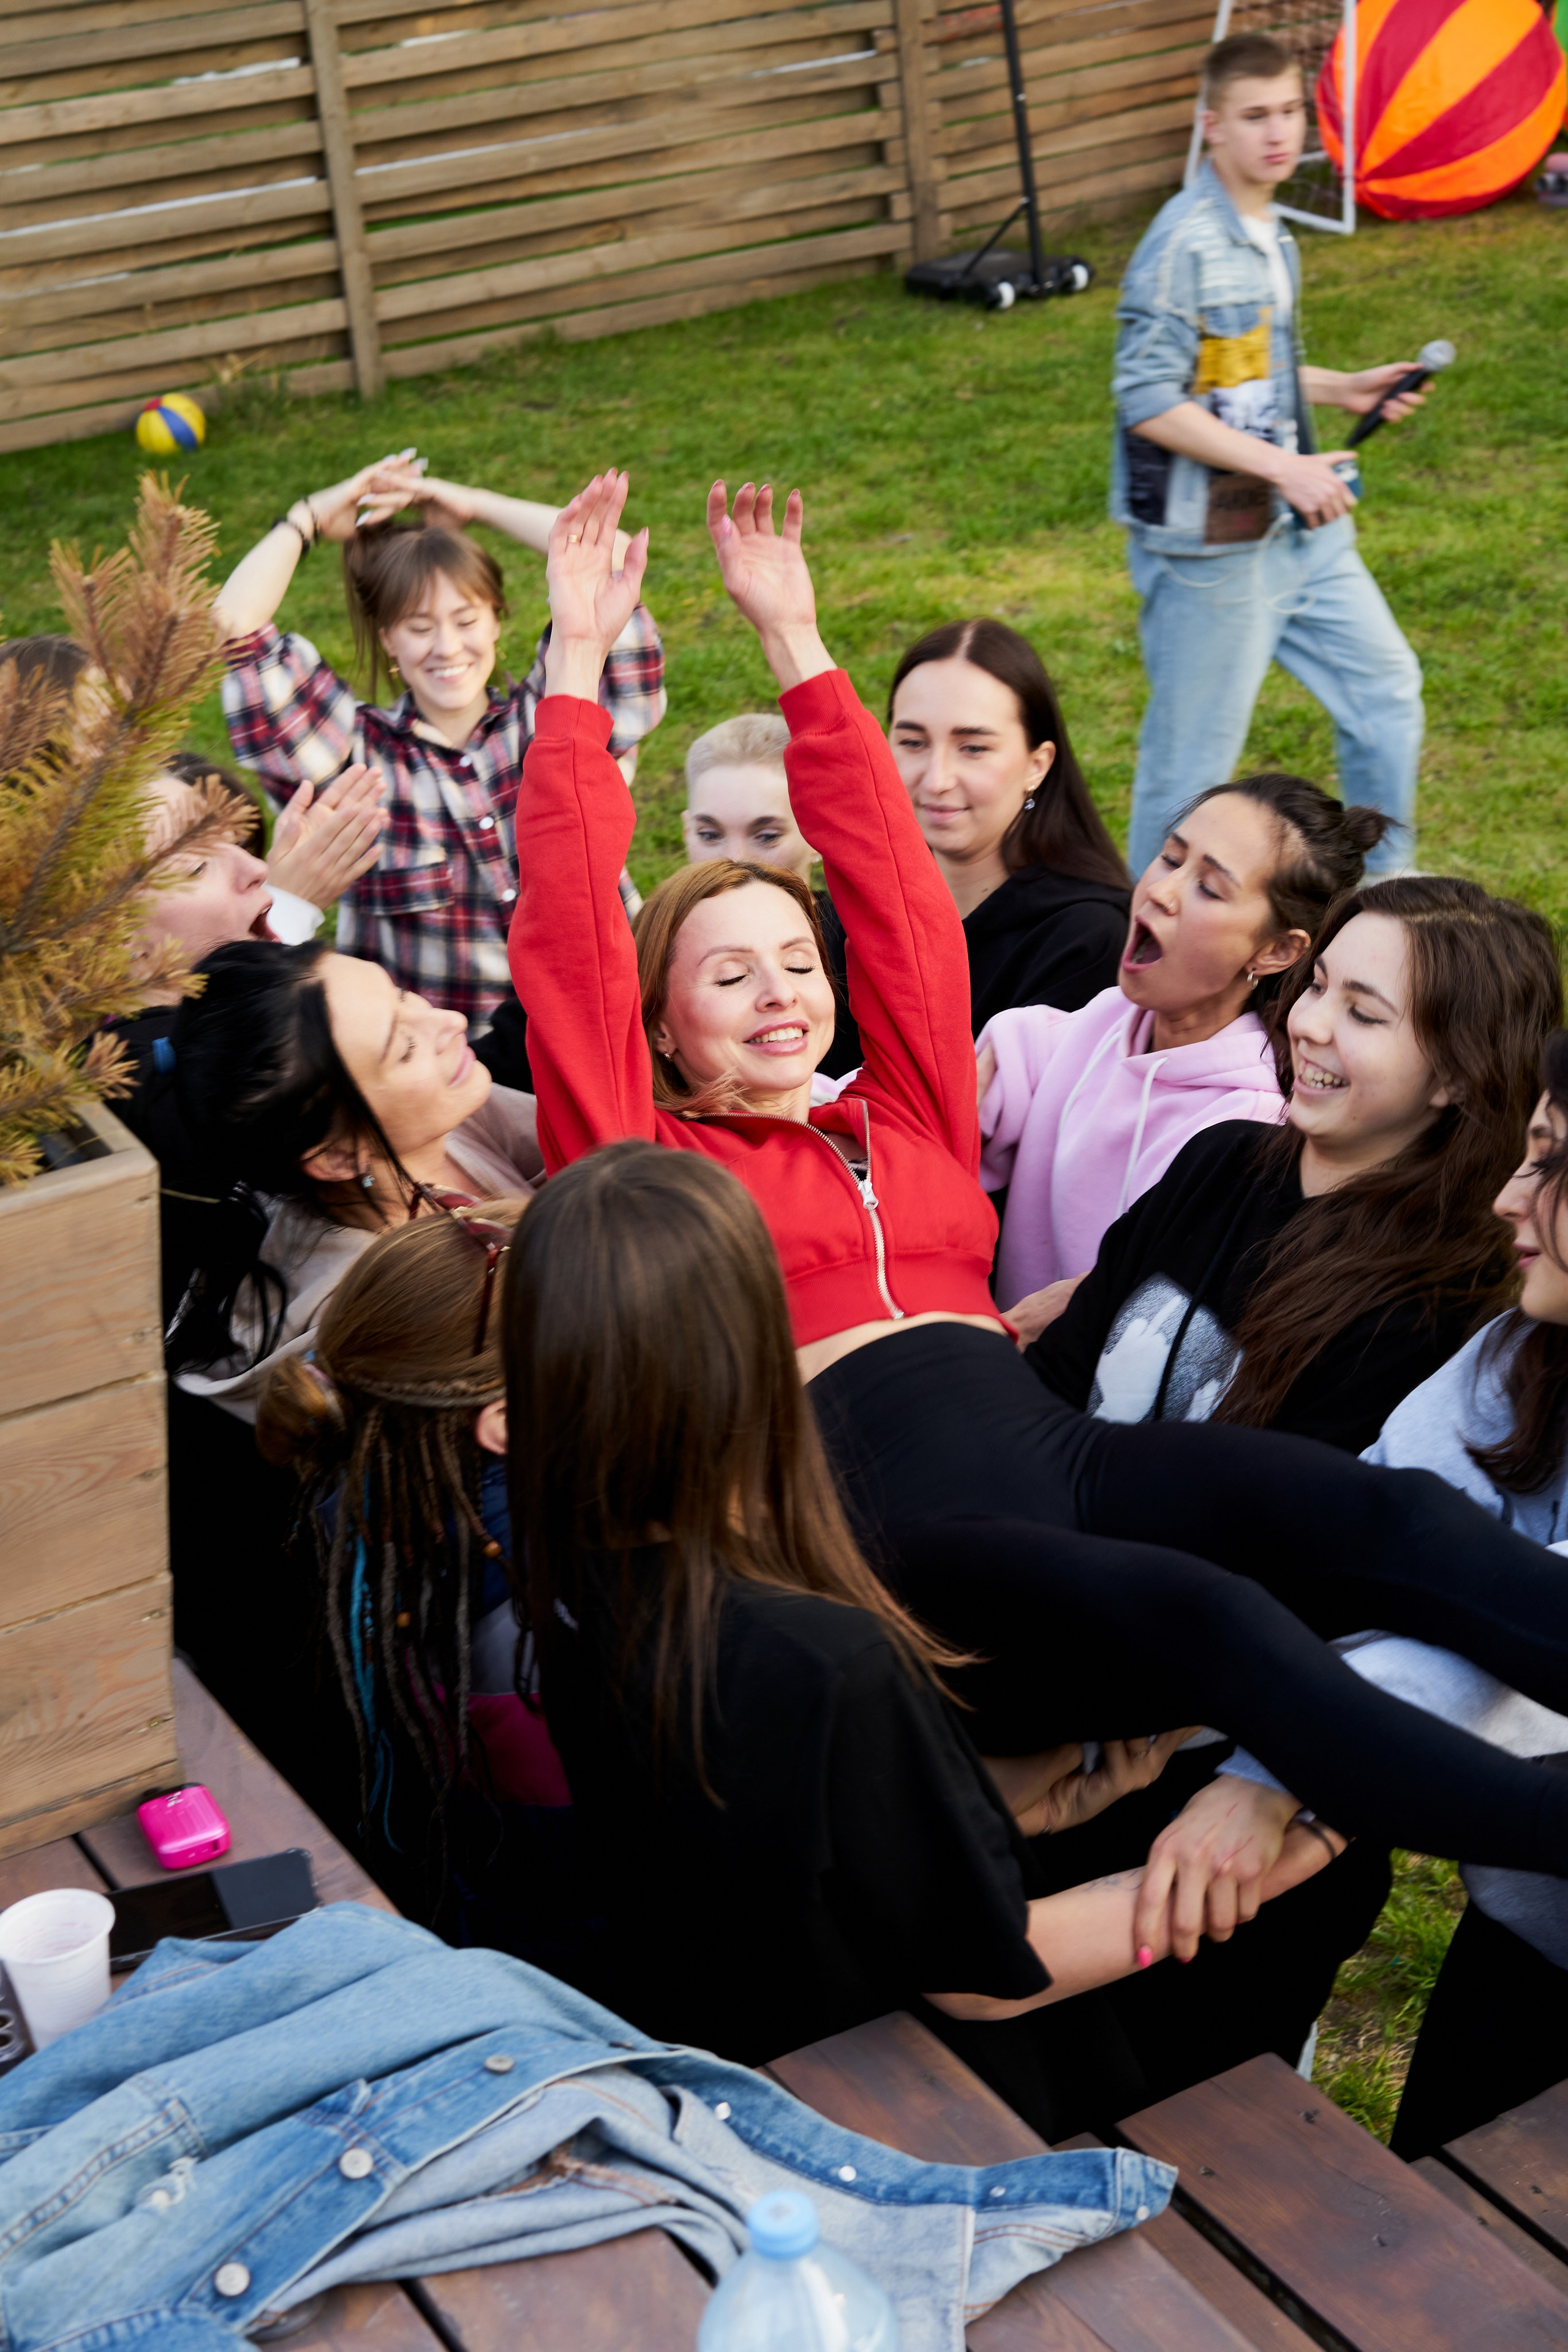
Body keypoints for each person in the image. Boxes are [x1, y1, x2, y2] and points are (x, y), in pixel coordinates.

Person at [509, 466, 1568, 1904]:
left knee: (1382, 1518)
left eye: (795, 961)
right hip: (888, 1519)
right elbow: (569, 940)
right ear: (658, 1027)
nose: (779, 991)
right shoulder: (650, 1179)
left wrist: (798, 645)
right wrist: (575, 666)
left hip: (1049, 1449)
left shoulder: (902, 1117)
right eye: (728, 973)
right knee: (1211, 1620)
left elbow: (899, 910)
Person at [500, 1137, 1347, 2112]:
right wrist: (1282, 1861)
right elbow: (983, 1977)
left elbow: (786, 1847)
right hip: (910, 2099)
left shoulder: (572, 1567)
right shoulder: (829, 1656)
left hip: (730, 2038)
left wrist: (1008, 1807)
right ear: (755, 1351)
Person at [1028, 876, 1561, 1452]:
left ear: (1457, 1075)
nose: (1307, 1024)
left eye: (1363, 1013)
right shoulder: (1218, 1159)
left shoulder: (1429, 1312)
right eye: (1318, 985)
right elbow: (1055, 1371)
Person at [1113, 32, 1429, 876]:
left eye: (1290, 111)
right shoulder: (1182, 247)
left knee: (1385, 693)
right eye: (1255, 115)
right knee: (1189, 768)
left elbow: (1241, 371)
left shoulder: (1270, 230)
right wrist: (1285, 467)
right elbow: (1148, 398)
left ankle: (1381, 900)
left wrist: (1344, 388)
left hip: (1299, 531)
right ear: (1211, 126)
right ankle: (1141, 938)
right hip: (1211, 552)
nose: (1279, 132)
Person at [215, 452, 665, 1033]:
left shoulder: (556, 717)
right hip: (451, 1060)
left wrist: (474, 504)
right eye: (420, 628)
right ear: (389, 640)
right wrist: (307, 518)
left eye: (466, 620)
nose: (447, 647)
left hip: (610, 1032)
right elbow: (236, 627)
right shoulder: (357, 758)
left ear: (497, 622)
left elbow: (613, 564)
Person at [255, 1199, 585, 1961]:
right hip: (579, 1934)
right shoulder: (556, 1594)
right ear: (504, 1421)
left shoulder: (365, 1483)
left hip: (479, 1890)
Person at [979, 772, 1383, 1337]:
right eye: (1171, 858)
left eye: (1210, 889)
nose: (1161, 892)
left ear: (1275, 951)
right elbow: (951, 1099)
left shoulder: (1249, 1127)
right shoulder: (1100, 1022)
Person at [818, 619, 1130, 1079]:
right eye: (913, 743)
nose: (937, 779)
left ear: (1037, 765)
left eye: (974, 748)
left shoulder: (1087, 939)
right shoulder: (855, 905)